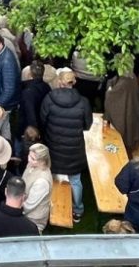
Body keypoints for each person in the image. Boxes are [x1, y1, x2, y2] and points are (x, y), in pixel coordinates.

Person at [38, 68, 91, 221]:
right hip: (74, 149)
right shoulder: (83, 102)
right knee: (75, 181)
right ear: (72, 83)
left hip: (54, 146)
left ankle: (51, 207)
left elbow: (43, 120)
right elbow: (87, 125)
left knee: (53, 179)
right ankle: (78, 210)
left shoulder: (49, 98)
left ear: (59, 82)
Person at [21, 143, 53, 233]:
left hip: (33, 218)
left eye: (33, 159)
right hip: (23, 204)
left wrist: (15, 209)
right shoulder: (32, 165)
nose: (28, 159)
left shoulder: (42, 182)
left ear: (43, 161)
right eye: (29, 155)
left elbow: (28, 206)